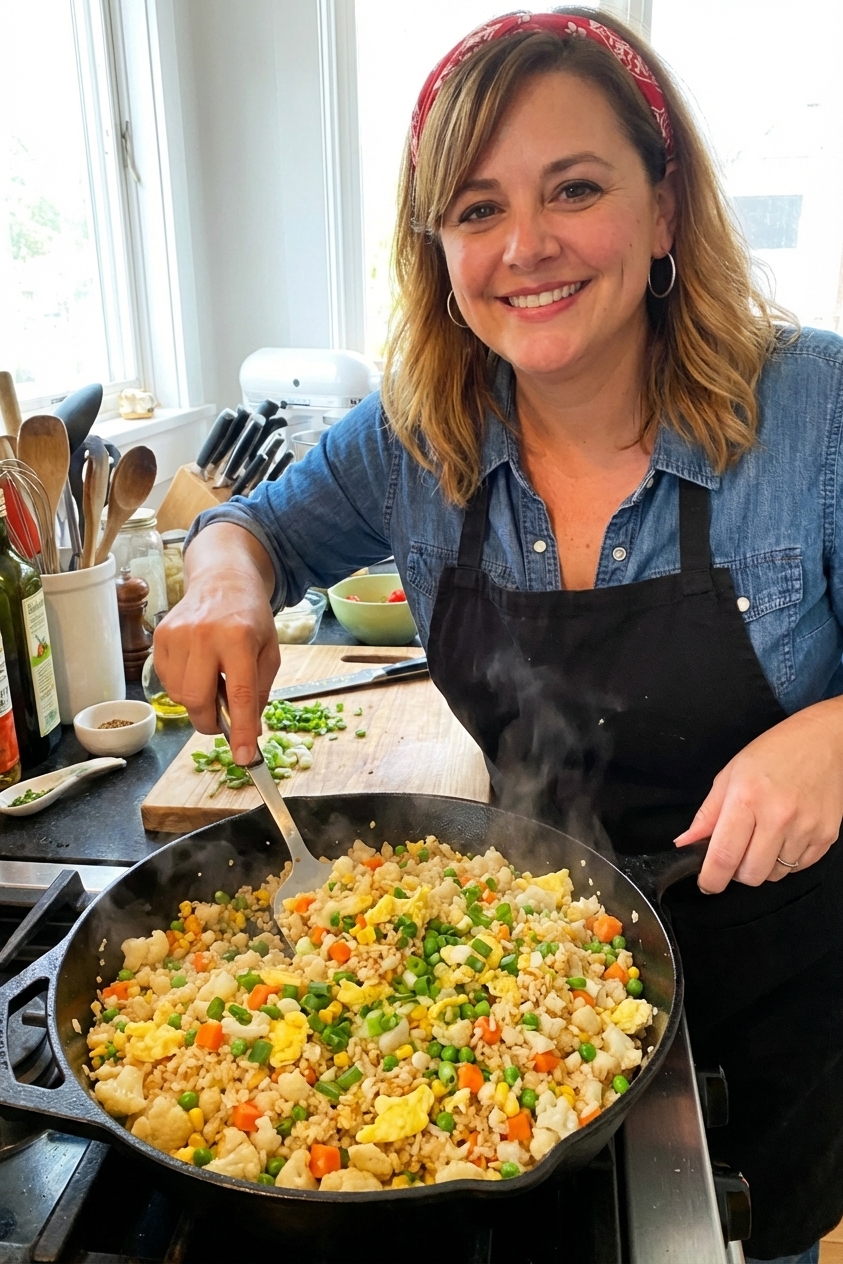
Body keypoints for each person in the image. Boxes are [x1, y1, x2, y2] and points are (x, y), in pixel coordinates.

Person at [156, 10, 843, 1260]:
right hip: (505, 1018)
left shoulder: (816, 410)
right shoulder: (417, 433)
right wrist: (223, 580)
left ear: (665, 208)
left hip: (781, 1003)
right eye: (475, 209)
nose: (525, 247)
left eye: (573, 188)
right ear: (439, 244)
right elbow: (247, 526)